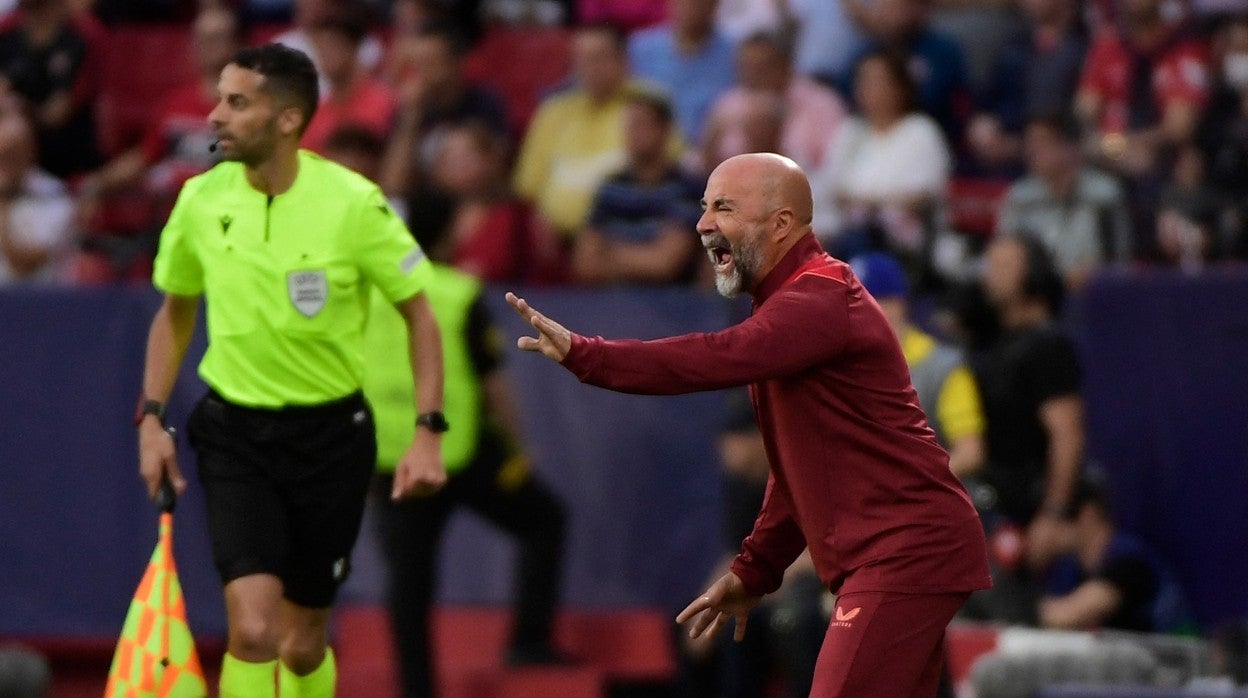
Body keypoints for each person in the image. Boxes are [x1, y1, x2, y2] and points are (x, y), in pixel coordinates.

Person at [506, 152, 991, 696]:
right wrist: (754, 571)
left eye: (724, 208)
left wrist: (589, 355)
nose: (702, 224)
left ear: (781, 224)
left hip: (906, 551)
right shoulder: (790, 305)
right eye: (704, 206)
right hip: (904, 551)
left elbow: (714, 356)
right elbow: (794, 474)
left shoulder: (821, 296)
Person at [134, 43, 447, 698]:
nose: (215, 116)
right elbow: (175, 312)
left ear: (286, 119)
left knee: (302, 647)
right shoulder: (199, 200)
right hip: (234, 435)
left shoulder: (354, 204)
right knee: (253, 630)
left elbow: (420, 316)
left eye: (236, 103)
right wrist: (152, 418)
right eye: (219, 99)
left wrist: (427, 431)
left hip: (331, 441)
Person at [359, 189, 570, 698]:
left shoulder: (370, 293)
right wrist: (517, 446)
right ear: (447, 233)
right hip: (464, 453)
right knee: (545, 521)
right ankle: (528, 642)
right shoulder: (457, 292)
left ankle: (417, 689)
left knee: (409, 582)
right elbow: (493, 384)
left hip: (394, 459)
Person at [850, 251, 984, 479]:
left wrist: (911, 486)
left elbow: (969, 452)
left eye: (863, 302)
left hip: (924, 493)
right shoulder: (843, 363)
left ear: (896, 305)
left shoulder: (939, 365)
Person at [572, 89, 703, 286]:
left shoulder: (687, 189)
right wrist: (643, 257)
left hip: (671, 302)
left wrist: (609, 253)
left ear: (665, 130)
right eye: (628, 126)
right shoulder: (610, 187)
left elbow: (665, 264)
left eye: (641, 125)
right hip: (613, 300)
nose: (632, 134)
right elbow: (585, 263)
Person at [1033, 477, 1194, 634]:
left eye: (1057, 515)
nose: (1044, 526)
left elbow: (1066, 615)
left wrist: (1021, 605)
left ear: (1088, 513)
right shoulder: (1068, 569)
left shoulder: (1129, 561)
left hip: (1180, 649)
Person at [994, 112, 1131, 290]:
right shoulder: (1020, 197)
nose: (1031, 150)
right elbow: (1004, 254)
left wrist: (1097, 274)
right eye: (1030, 142)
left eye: (1042, 142)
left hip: (1093, 293)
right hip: (1036, 295)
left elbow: (1121, 261)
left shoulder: (1104, 195)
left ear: (1069, 147)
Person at [701, 30, 847, 173]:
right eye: (746, 67)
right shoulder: (729, 103)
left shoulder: (822, 103)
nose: (752, 76)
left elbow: (833, 168)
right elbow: (702, 164)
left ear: (785, 64)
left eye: (761, 67)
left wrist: (770, 145)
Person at [627, 0, 736, 145]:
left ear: (715, 5)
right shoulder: (640, 47)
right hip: (653, 146)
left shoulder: (734, 53)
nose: (691, 8)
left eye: (699, 3)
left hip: (709, 148)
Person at [299, 1, 396, 155]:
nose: (324, 56)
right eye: (320, 48)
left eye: (332, 46)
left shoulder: (382, 101)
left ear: (354, 47)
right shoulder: (318, 111)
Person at [0, 111, 75, 284]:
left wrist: (3, 204)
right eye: (1, 153)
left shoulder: (54, 194)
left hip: (36, 296)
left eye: (12, 152)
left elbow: (24, 264)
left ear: (30, 150)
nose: (5, 160)